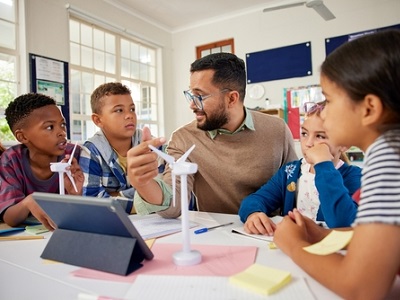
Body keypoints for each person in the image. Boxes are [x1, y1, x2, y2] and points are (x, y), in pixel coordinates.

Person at [273, 29, 400, 299]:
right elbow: (382, 239)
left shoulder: (389, 157)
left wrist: (295, 245)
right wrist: (322, 235)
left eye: (328, 100)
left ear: (369, 109)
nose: (324, 112)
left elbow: (362, 288)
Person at [127, 52, 298, 218]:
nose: (192, 105)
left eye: (200, 96)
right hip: (215, 235)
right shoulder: (184, 138)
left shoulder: (277, 130)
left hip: (270, 233)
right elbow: (175, 204)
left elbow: (295, 186)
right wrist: (145, 183)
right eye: (191, 95)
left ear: (232, 99)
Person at [239, 101, 361, 234]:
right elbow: (255, 199)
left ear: (344, 144)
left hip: (329, 251)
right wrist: (253, 213)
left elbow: (342, 223)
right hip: (291, 246)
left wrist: (323, 164)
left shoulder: (354, 177)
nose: (308, 143)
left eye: (320, 136)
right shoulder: (290, 172)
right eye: (304, 134)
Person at [0, 93, 83, 230]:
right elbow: (10, 217)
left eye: (62, 124)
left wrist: (76, 196)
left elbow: (86, 210)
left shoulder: (74, 156)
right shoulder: (11, 160)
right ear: (23, 136)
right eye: (50, 127)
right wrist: (29, 202)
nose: (62, 132)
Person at [79, 82, 144, 214]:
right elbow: (94, 202)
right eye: (119, 110)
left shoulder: (149, 144)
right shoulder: (91, 151)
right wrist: (145, 202)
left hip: (154, 224)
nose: (129, 115)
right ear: (98, 120)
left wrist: (115, 195)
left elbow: (167, 193)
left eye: (132, 109)